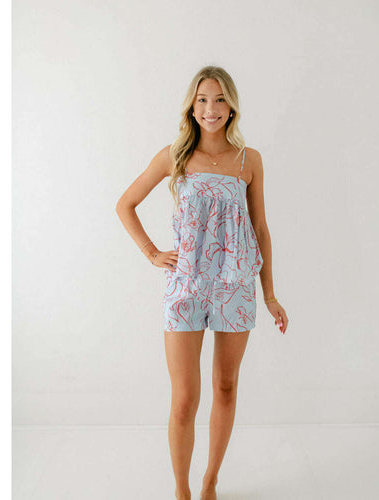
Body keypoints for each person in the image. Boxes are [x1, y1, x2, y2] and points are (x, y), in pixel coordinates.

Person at [116, 65, 289, 500]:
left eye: (219, 99)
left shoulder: (250, 160)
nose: (211, 108)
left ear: (231, 107)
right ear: (192, 108)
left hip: (235, 286)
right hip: (186, 287)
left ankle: (210, 482)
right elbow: (125, 204)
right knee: (184, 399)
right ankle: (182, 490)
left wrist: (269, 294)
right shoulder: (173, 155)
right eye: (202, 100)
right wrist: (152, 253)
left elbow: (260, 228)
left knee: (225, 388)